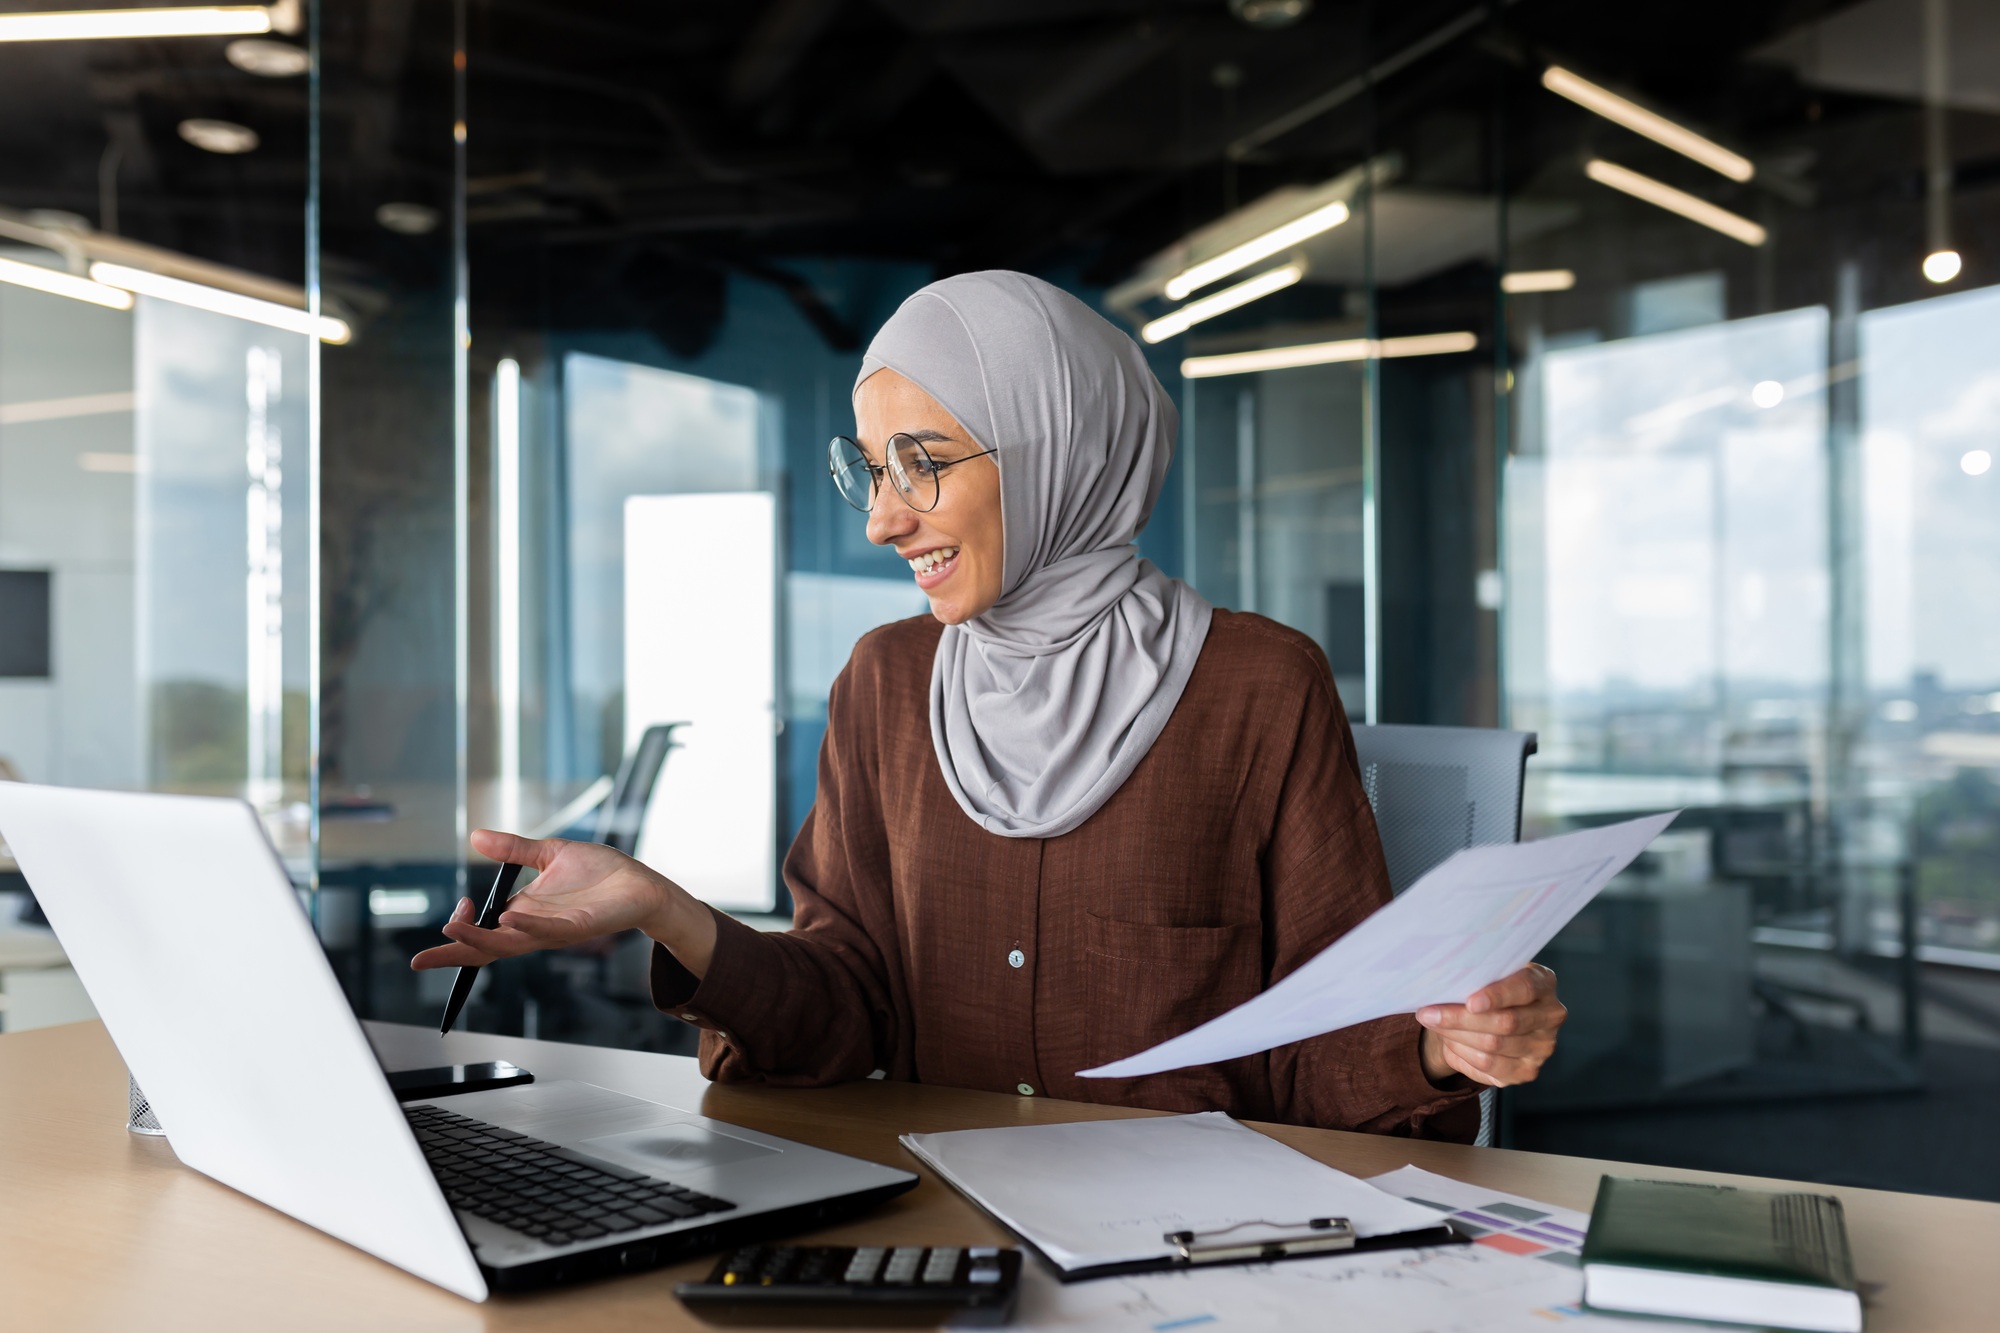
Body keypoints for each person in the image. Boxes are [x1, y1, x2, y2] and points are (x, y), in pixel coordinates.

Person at [414, 271, 1565, 1138]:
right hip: (936, 1221)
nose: (882, 519)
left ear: (1058, 447)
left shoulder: (1258, 684)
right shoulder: (883, 681)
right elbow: (842, 1009)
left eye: (921, 463)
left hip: (1186, 1253)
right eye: (872, 470)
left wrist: (1450, 1045)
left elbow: (1325, 1045)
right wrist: (658, 905)